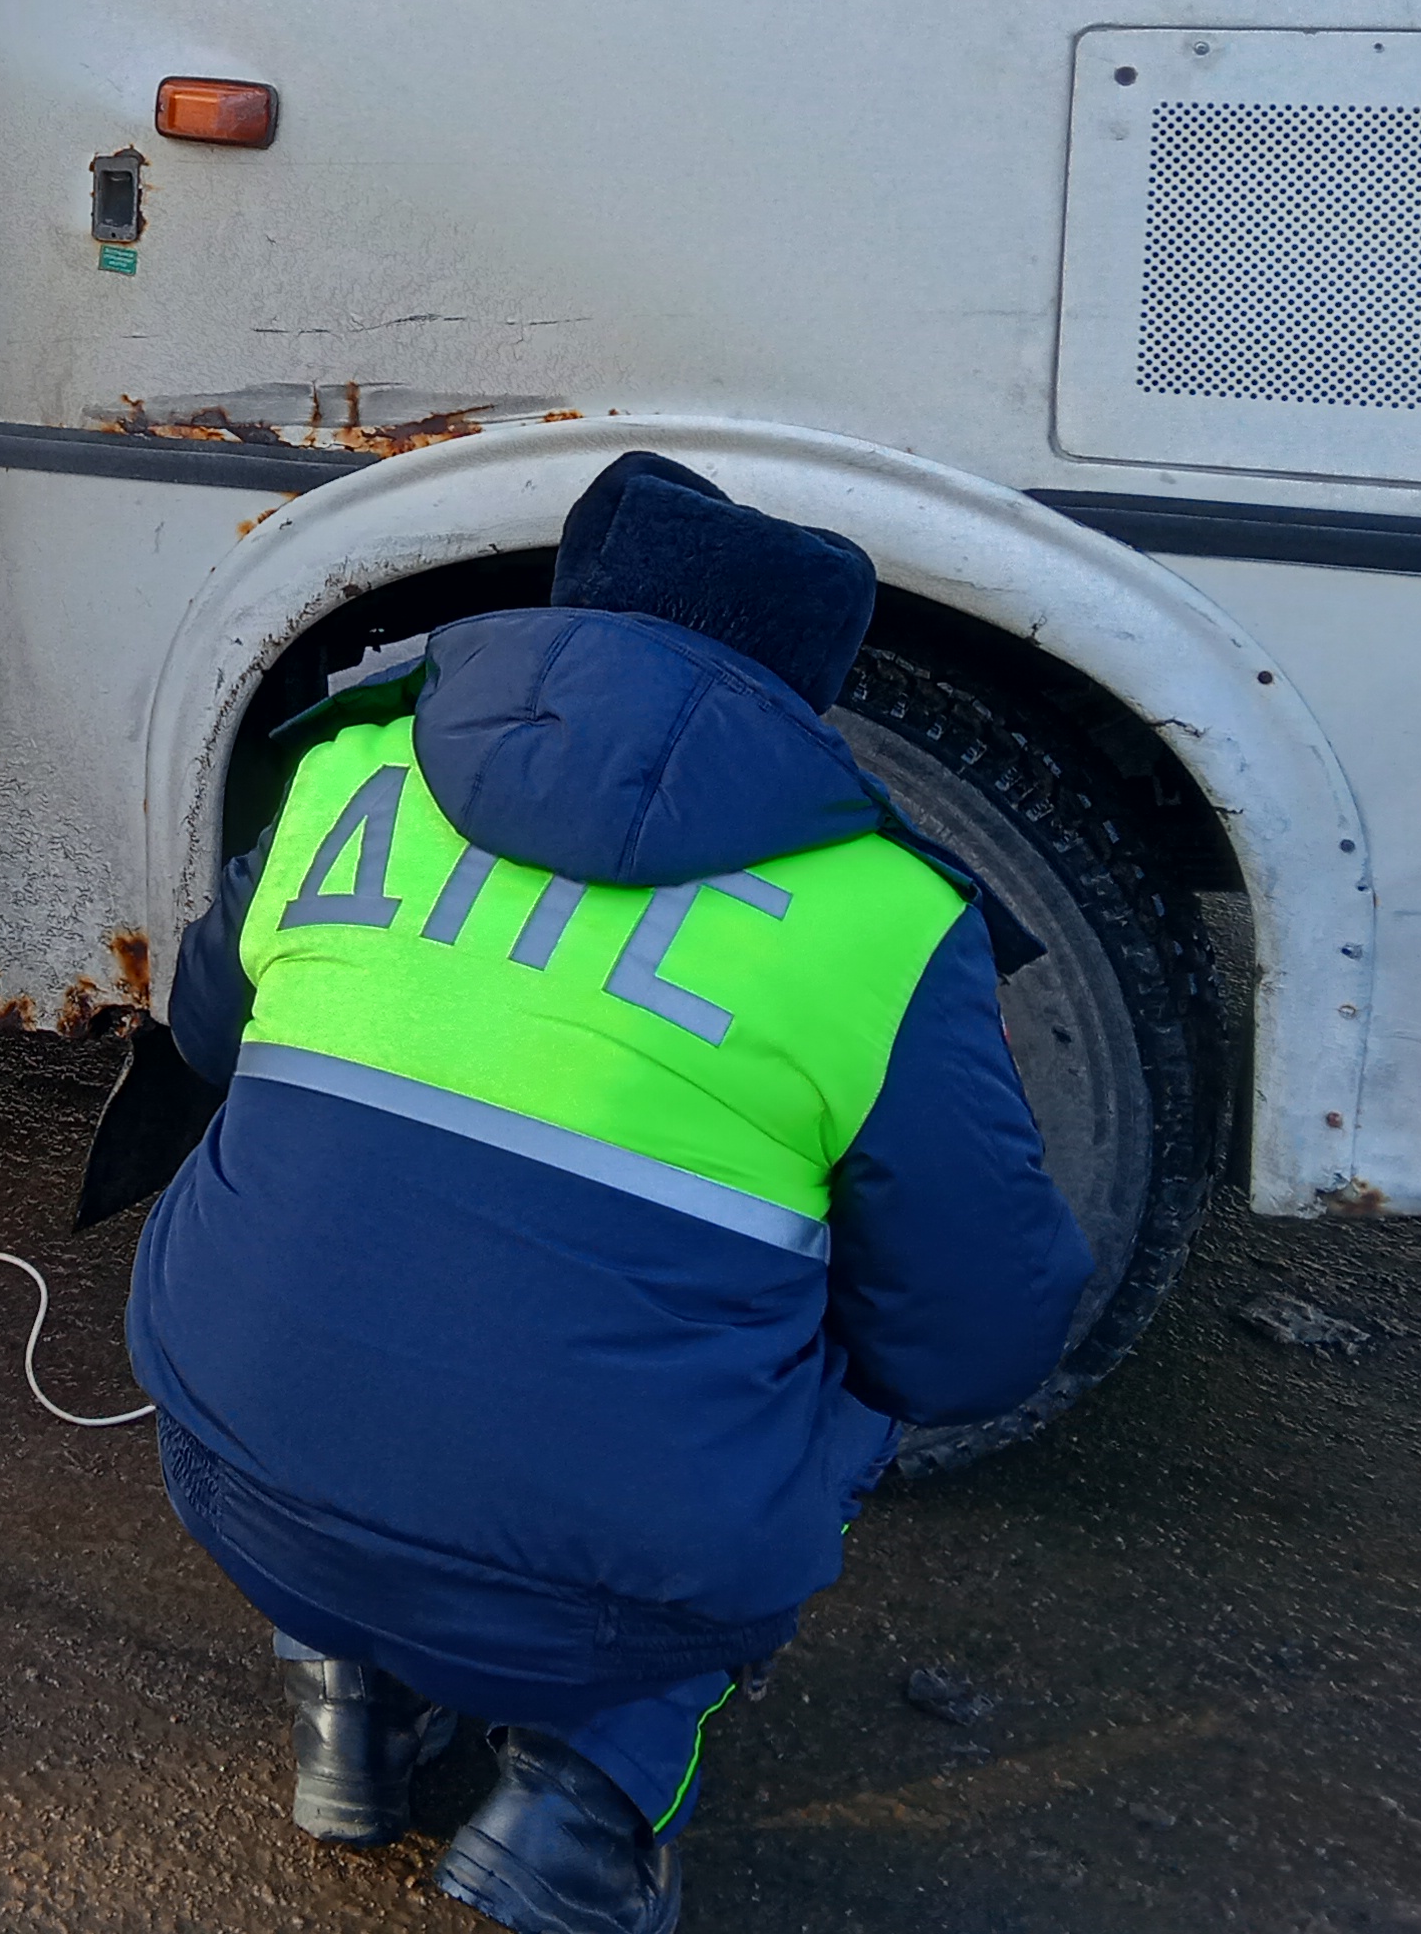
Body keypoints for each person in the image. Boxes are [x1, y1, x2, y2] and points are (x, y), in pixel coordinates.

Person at [122, 451, 1092, 1934]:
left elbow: (201, 1033)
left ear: (571, 611)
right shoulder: (886, 919)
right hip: (600, 1591)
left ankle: (350, 1709)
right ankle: (586, 1801)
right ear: (806, 690)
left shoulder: (351, 769)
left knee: (325, 1207)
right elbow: (981, 1336)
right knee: (836, 1350)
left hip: (227, 1473)